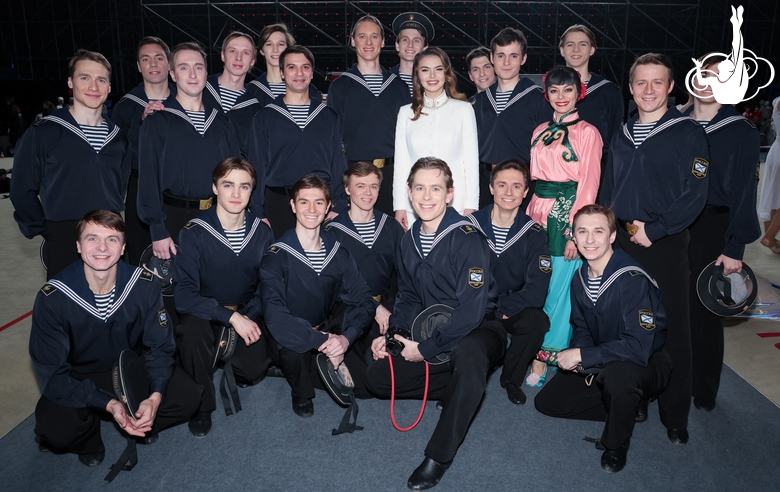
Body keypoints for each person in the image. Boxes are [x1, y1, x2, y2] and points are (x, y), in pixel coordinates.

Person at [365, 157, 503, 490]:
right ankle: (458, 388)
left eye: (436, 188)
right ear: (409, 193)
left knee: (470, 358)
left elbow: (471, 312)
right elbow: (408, 296)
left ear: (450, 194)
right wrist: (396, 336)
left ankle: (439, 456)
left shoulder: (469, 238)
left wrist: (426, 350)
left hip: (480, 330)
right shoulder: (408, 239)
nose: (427, 196)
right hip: (433, 329)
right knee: (376, 379)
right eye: (420, 188)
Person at [30, 210, 200, 467]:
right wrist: (106, 403)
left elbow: (161, 347)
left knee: (188, 397)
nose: (102, 247)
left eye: (112, 239)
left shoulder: (143, 284)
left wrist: (153, 397)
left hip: (128, 367)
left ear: (122, 248)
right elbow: (51, 373)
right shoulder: (54, 297)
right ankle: (88, 438)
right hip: (78, 375)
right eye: (92, 238)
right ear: (78, 246)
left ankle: (141, 419)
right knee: (55, 429)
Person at [599, 53, 709, 446]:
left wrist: (658, 229)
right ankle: (637, 396)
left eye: (656, 82)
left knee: (674, 329)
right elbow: (610, 187)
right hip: (625, 242)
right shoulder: (623, 132)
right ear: (631, 88)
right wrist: (606, 228)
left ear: (670, 86)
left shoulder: (687, 131)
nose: (648, 90)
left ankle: (675, 414)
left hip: (664, 242)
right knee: (630, 325)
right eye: (641, 83)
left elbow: (695, 193)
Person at [535, 205, 672, 474]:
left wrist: (584, 356)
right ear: (573, 236)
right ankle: (628, 406)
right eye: (582, 232)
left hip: (645, 363)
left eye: (598, 231)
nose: (589, 240)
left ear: (611, 236)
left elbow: (638, 346)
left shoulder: (631, 278)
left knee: (619, 378)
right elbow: (582, 326)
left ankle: (617, 442)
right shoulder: (580, 277)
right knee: (548, 403)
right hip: (605, 358)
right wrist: (582, 352)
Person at [173, 158, 273, 437]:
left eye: (244, 187)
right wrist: (230, 317)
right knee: (192, 333)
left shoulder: (262, 231)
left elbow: (267, 287)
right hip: (204, 313)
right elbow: (183, 296)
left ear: (252, 191)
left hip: (246, 311)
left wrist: (248, 316)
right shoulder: (194, 232)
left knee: (253, 372)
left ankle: (230, 359)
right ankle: (202, 405)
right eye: (228, 185)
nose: (236, 194)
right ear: (214, 188)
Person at [260, 175, 375, 418]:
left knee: (365, 386)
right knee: (294, 352)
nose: (311, 210)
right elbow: (276, 318)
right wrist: (321, 340)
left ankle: (312, 367)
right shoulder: (276, 257)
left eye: (319, 203)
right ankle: (300, 388)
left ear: (328, 207)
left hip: (327, 328)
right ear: (292, 206)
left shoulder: (338, 252)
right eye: (304, 202)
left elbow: (364, 299)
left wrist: (345, 339)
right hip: (288, 335)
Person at [684, 54, 760, 411]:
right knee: (667, 306)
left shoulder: (740, 131)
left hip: (714, 226)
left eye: (717, 76)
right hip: (671, 227)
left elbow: (746, 191)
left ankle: (704, 390)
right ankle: (667, 381)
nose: (706, 80)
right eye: (702, 73)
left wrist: (735, 246)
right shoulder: (674, 123)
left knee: (705, 314)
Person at [11, 50, 129, 279]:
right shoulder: (45, 132)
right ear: (70, 82)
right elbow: (21, 188)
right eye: (85, 77)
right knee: (65, 308)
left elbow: (120, 186)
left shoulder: (118, 137)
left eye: (101, 80)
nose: (93, 86)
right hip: (64, 234)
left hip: (110, 232)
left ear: (109, 87)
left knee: (113, 306)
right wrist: (46, 228)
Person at [525, 66, 602, 386]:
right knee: (536, 284)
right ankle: (530, 345)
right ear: (547, 93)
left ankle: (547, 357)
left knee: (558, 291)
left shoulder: (589, 133)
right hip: (534, 210)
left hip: (565, 213)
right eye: (554, 91)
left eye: (567, 90)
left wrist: (576, 231)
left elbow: (589, 183)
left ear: (578, 92)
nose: (560, 97)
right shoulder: (539, 129)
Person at [137, 41, 241, 261]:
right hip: (173, 219)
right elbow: (148, 178)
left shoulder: (223, 122)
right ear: (173, 74)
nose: (192, 74)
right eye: (184, 68)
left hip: (218, 217)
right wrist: (157, 228)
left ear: (206, 73)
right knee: (177, 292)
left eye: (199, 67)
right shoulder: (158, 122)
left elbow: (236, 175)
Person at [465, 159, 551, 404]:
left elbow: (537, 290)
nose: (508, 192)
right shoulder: (470, 227)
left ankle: (511, 379)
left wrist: (503, 307)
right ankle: (457, 382)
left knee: (537, 321)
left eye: (516, 186)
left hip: (512, 307)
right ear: (491, 188)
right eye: (502, 185)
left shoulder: (534, 234)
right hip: (477, 303)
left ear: (525, 192)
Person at [247, 45, 347, 238]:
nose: (299, 73)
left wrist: (340, 203)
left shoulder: (329, 116)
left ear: (311, 73)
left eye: (305, 67)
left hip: (319, 204)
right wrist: (257, 210)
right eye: (292, 67)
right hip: (278, 205)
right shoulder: (265, 117)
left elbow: (338, 164)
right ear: (282, 73)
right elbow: (256, 166)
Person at [327, 15, 409, 215]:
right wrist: (338, 193)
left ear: (382, 42)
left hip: (392, 176)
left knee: (392, 239)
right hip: (355, 176)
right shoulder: (340, 87)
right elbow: (333, 144)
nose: (369, 42)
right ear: (353, 41)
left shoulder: (399, 86)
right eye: (362, 36)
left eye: (374, 36)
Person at [393, 47, 479, 229]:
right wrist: (399, 206)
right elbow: (401, 163)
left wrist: (471, 205)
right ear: (417, 75)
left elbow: (471, 163)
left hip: (456, 203)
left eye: (438, 69)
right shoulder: (405, 112)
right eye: (425, 70)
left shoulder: (463, 110)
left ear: (446, 73)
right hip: (415, 204)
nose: (432, 75)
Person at [323, 161, 404, 349]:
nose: (368, 192)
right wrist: (373, 307)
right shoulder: (332, 233)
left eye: (373, 186)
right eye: (360, 186)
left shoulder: (391, 227)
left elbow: (404, 275)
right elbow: (333, 285)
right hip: (348, 310)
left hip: (387, 306)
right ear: (347, 189)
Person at [472, 28, 551, 209]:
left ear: (523, 59)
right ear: (492, 58)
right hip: (484, 183)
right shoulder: (478, 102)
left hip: (522, 185)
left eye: (513, 56)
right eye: (500, 56)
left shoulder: (539, 99)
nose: (506, 62)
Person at [112, 36, 174, 265]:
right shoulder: (126, 105)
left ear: (169, 63)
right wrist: (143, 123)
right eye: (146, 59)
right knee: (140, 251)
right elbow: (117, 153)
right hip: (140, 185)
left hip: (176, 185)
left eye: (159, 58)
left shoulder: (187, 98)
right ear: (139, 66)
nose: (153, 64)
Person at [558, 24, 624, 181]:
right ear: (562, 50)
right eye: (570, 44)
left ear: (592, 50)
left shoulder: (608, 91)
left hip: (595, 173)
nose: (576, 50)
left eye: (583, 44)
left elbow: (614, 137)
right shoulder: (550, 92)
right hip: (556, 173)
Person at [202, 31, 263, 151]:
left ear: (252, 61)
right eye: (232, 51)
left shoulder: (255, 109)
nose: (238, 58)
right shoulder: (201, 89)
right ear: (223, 55)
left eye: (245, 53)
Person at [247, 23, 319, 106]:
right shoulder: (252, 90)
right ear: (262, 51)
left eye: (280, 44)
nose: (275, 50)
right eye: (269, 44)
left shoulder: (309, 89)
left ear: (288, 49)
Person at [390, 12, 434, 96]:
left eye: (416, 40)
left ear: (425, 47)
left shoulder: (434, 82)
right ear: (397, 45)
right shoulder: (385, 82)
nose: (410, 45)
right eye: (405, 39)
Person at [758, 96, 780, 252]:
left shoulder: (777, 100)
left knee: (773, 197)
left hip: (776, 150)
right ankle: (769, 237)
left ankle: (771, 240)